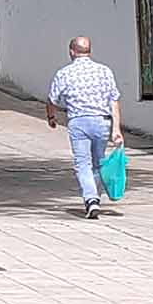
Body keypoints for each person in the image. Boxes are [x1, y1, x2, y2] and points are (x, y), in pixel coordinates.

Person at [45, 36, 124, 219]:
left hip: (79, 122)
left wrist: (51, 116)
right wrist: (116, 129)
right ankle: (94, 199)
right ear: (90, 51)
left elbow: (52, 99)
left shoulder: (64, 73)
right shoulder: (104, 71)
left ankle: (91, 199)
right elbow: (114, 99)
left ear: (72, 52)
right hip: (102, 122)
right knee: (97, 163)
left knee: (83, 163)